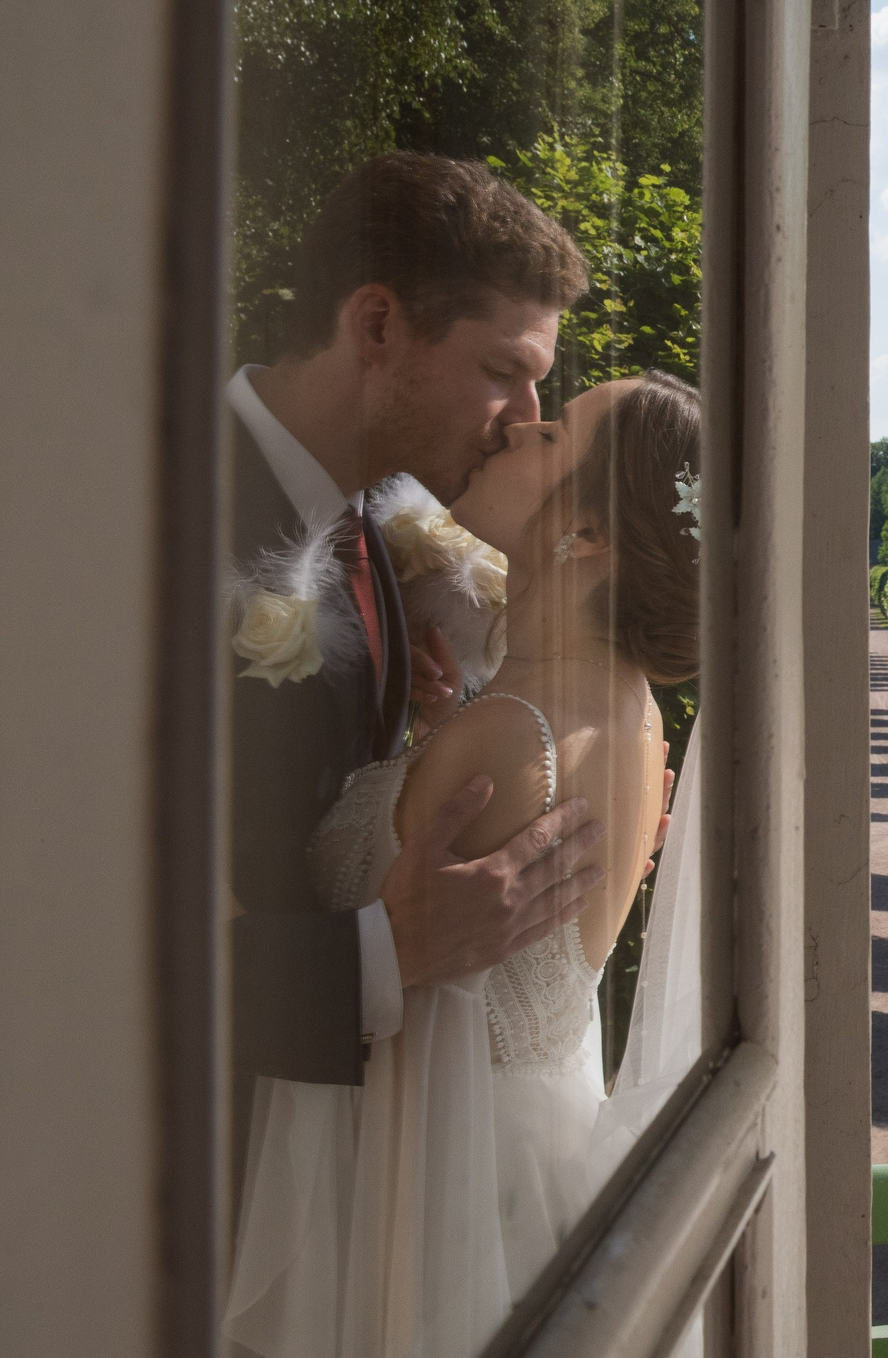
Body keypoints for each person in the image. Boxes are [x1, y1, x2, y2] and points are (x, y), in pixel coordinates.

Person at [226, 369, 704, 1356]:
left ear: (588, 538)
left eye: (552, 435)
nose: (519, 426)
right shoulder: (622, 712)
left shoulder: (502, 743)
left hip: (425, 1209)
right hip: (518, 1182)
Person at [222, 151, 603, 1158]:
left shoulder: (384, 522)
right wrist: (383, 961)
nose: (526, 419)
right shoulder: (151, 520)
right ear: (379, 326)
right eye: (501, 372)